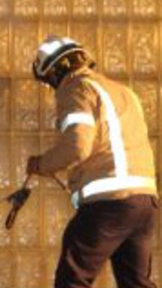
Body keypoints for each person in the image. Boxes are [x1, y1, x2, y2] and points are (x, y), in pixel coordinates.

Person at [25, 35, 158, 288]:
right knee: (136, 283)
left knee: (72, 280)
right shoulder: (123, 92)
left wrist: (41, 164)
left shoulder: (76, 89)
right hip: (144, 203)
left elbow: (77, 146)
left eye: (48, 81)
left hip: (109, 203)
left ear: (54, 72)